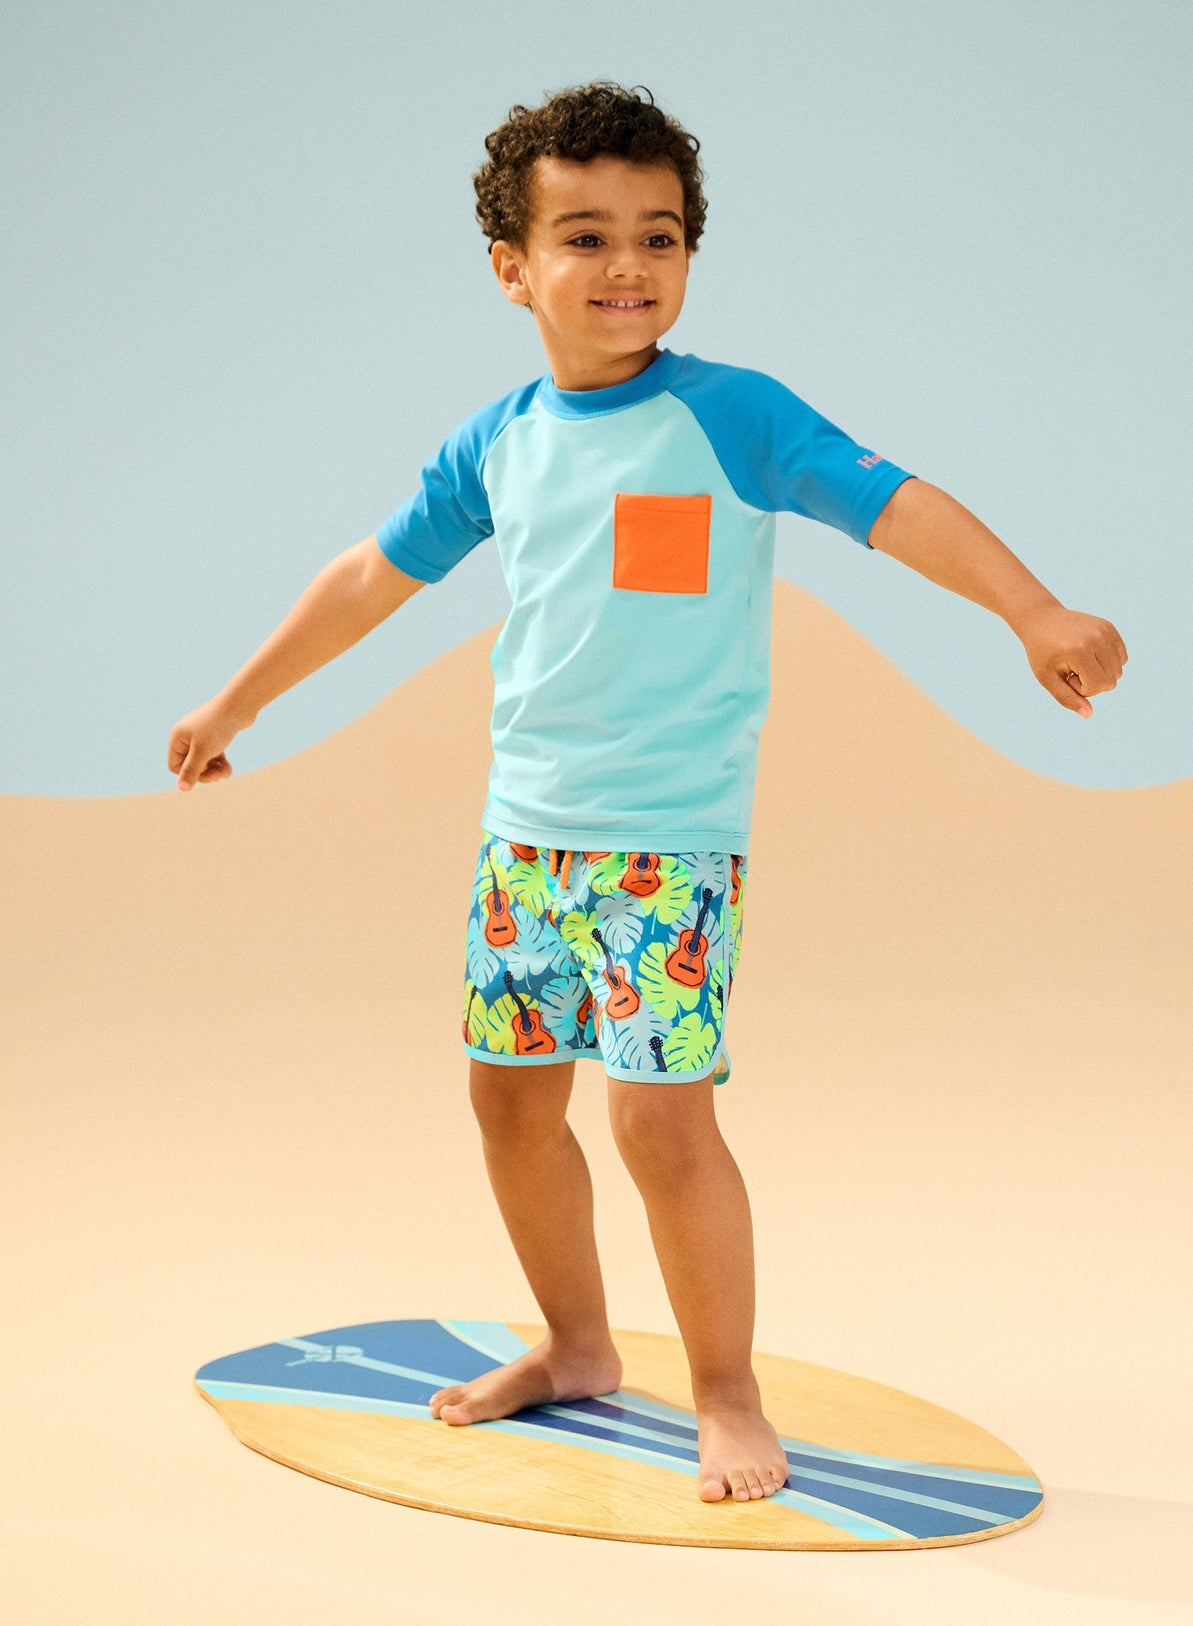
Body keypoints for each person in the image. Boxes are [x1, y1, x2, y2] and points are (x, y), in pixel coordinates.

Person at [167, 80, 1127, 1505]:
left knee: (659, 1123)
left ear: (688, 256)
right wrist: (240, 696)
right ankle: (572, 1345)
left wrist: (1031, 609)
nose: (627, 267)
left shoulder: (732, 416)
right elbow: (371, 575)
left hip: (665, 852)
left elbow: (898, 503)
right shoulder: (498, 439)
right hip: (524, 839)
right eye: (585, 236)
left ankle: (726, 1389)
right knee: (507, 1105)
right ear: (512, 266)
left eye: (658, 236)